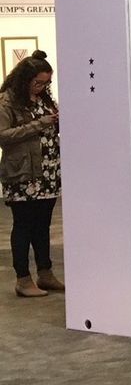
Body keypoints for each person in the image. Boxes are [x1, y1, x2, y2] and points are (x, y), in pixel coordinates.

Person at [0, 52, 63, 298]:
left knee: (43, 225)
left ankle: (45, 273)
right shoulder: (6, 102)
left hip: (48, 171)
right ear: (24, 79)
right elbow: (3, 135)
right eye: (38, 83)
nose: (42, 87)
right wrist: (40, 124)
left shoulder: (44, 100)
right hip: (23, 174)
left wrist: (57, 121)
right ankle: (23, 279)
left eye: (46, 83)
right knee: (24, 226)